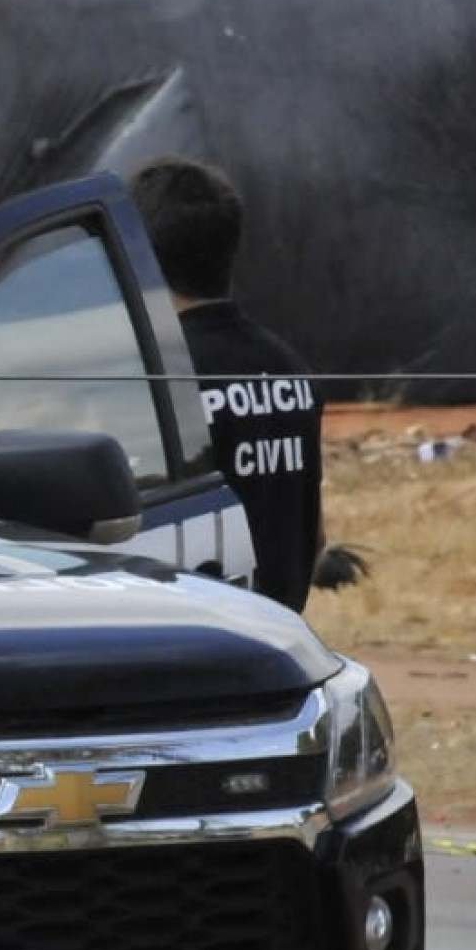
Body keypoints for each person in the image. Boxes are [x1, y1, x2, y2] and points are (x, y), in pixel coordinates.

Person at [130, 157, 322, 612]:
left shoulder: (155, 381)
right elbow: (314, 538)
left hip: (193, 647)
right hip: (276, 643)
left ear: (139, 258)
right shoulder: (292, 370)